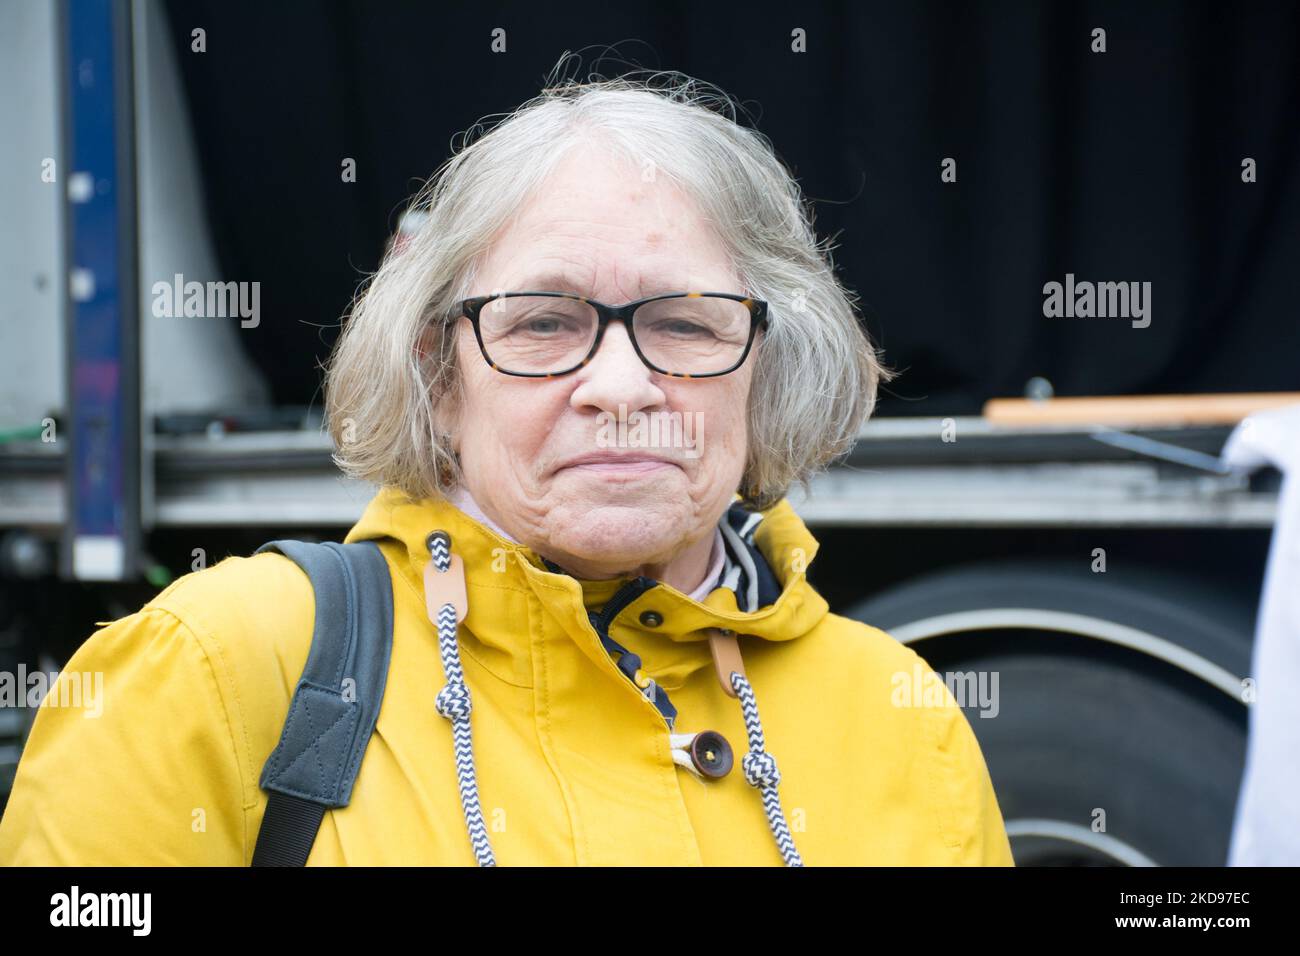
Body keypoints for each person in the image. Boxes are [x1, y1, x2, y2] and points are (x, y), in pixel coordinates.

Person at [0, 69, 1013, 866]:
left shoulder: (901, 715)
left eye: (684, 321)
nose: (621, 384)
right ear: (441, 377)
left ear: (765, 365)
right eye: (542, 321)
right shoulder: (212, 668)